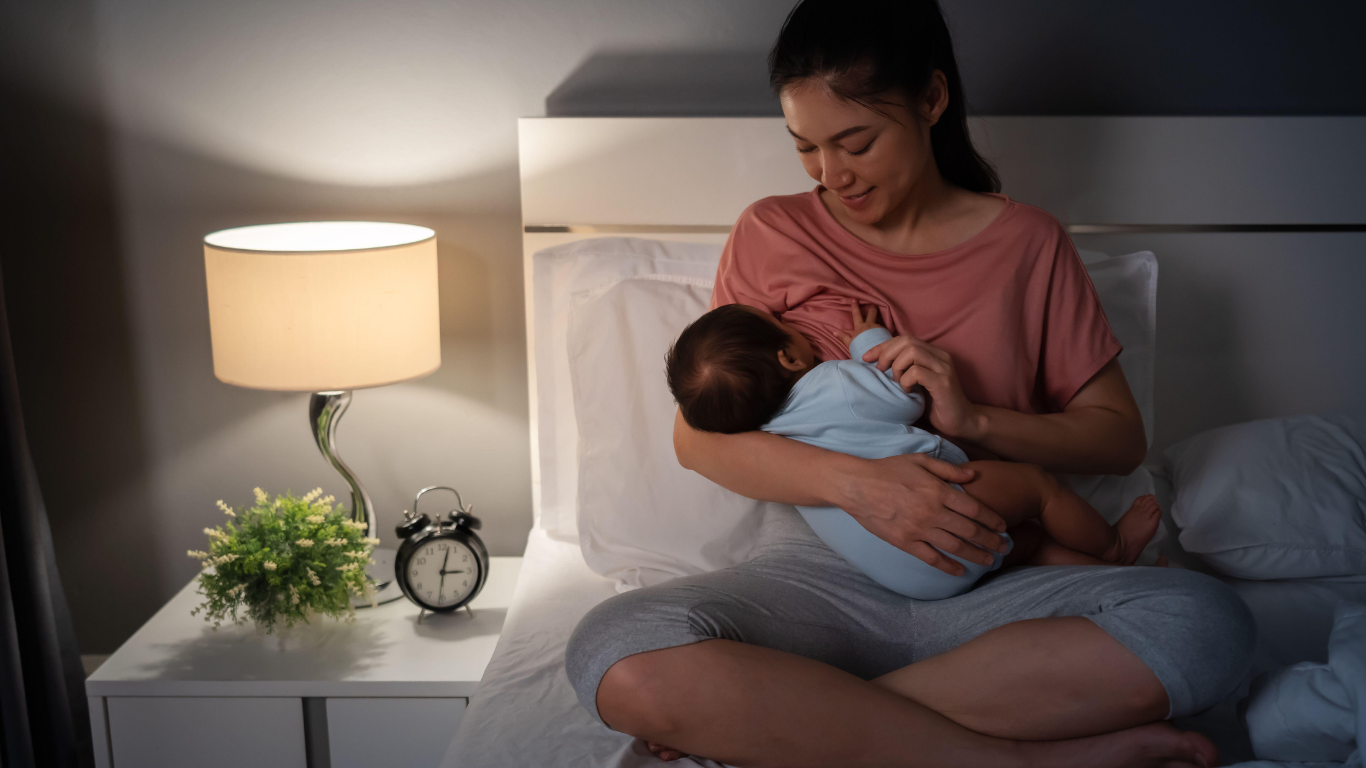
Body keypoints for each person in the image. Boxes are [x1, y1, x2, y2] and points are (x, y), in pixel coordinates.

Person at [565, 1, 1255, 766]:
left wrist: (978, 420)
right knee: (614, 647)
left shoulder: (1027, 244)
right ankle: (1013, 758)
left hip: (992, 578)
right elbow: (698, 438)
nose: (832, 174)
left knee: (1207, 624)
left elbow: (1118, 438)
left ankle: (789, 720)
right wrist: (862, 487)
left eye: (854, 141)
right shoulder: (772, 233)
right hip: (812, 581)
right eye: (806, 148)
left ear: (930, 99)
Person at [664, 300, 1166, 600]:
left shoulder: (765, 437)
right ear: (791, 354)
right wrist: (869, 342)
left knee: (1026, 546)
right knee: (1037, 489)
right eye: (779, 321)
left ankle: (1095, 574)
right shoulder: (830, 383)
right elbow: (903, 400)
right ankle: (1112, 551)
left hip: (906, 574)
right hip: (943, 504)